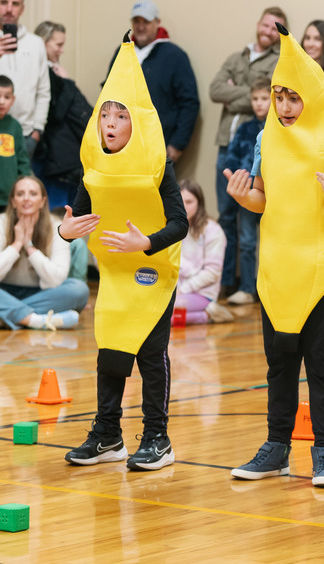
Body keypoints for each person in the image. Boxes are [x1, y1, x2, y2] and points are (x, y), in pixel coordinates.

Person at [224, 23, 324, 488]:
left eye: (294, 97)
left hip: (323, 268)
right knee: (280, 361)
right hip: (276, 268)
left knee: (322, 365)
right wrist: (241, 197)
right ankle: (276, 448)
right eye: (279, 97)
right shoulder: (265, 138)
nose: (285, 107)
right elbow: (263, 199)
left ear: (310, 93)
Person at [62, 33, 188, 471]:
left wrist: (146, 243)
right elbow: (73, 219)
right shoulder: (94, 168)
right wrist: (65, 230)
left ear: (138, 123)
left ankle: (158, 438)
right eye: (105, 115)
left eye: (120, 115)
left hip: (154, 269)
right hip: (114, 273)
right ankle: (107, 435)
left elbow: (180, 223)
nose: (110, 123)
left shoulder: (158, 167)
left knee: (152, 355)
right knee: (111, 350)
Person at [210, 6, 288, 299]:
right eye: (265, 25)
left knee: (248, 226)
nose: (268, 31)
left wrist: (236, 94)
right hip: (225, 148)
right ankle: (225, 282)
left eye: (274, 28)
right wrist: (246, 93)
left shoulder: (278, 60)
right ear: (258, 24)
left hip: (250, 155)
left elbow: (271, 94)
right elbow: (216, 89)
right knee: (225, 218)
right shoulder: (236, 57)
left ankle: (250, 286)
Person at [106, 0, 199, 163]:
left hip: (158, 147)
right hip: (122, 147)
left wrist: (178, 144)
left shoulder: (175, 56)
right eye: (136, 21)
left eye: (146, 22)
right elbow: (108, 95)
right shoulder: (122, 52)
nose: (140, 26)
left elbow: (189, 102)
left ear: (157, 22)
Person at [0, 175, 89, 330]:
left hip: (42, 295)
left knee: (78, 290)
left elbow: (56, 280)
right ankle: (35, 320)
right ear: (13, 201)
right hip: (4, 292)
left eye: (33, 194)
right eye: (20, 194)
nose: (26, 198)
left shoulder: (57, 227)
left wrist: (29, 247)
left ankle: (10, 316)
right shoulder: (2, 223)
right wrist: (16, 245)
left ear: (42, 201)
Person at [221, 76, 272, 306]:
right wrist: (241, 182)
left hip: (274, 194)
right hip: (250, 193)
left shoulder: (279, 129)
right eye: (255, 99)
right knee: (248, 241)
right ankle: (248, 288)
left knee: (272, 242)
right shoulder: (244, 129)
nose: (259, 103)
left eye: (264, 98)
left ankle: (270, 290)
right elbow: (231, 158)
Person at [32, 21, 92, 207]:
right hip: (54, 160)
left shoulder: (54, 73)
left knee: (71, 218)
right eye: (58, 45)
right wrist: (67, 83)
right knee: (57, 217)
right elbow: (55, 113)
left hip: (67, 159)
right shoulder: (40, 73)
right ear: (42, 43)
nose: (62, 50)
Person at [0, 0, 49, 157]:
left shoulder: (36, 44)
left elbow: (43, 91)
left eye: (15, 4)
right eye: (3, 2)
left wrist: (37, 129)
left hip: (26, 134)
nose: (8, 9)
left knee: (22, 183)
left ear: (22, 9)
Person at [175, 179, 233, 325]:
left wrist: (182, 290)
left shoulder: (213, 230)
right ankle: (207, 314)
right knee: (153, 312)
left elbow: (212, 272)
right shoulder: (173, 228)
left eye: (189, 202)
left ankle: (208, 313)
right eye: (180, 201)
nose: (184, 207)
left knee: (166, 311)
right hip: (176, 290)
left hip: (201, 293)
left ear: (199, 203)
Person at [0, 75, 32, 208]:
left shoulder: (15, 126)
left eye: (7, 97)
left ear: (12, 100)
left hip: (9, 201)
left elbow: (23, 161)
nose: (2, 101)